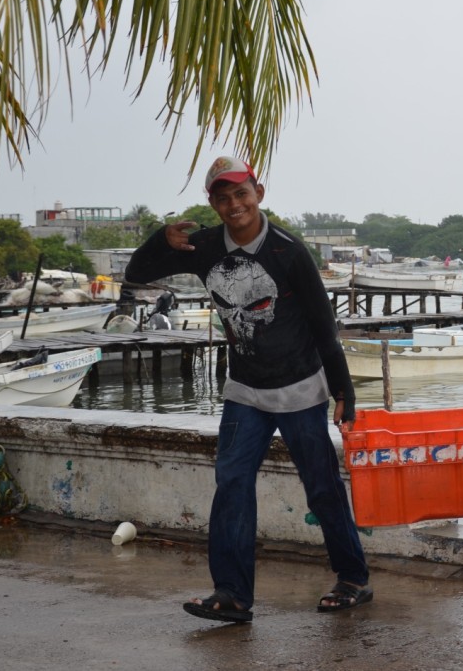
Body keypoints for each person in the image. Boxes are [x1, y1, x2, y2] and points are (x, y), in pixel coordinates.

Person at [125, 156, 371, 624]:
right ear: (212, 203)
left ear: (258, 193)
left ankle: (353, 578)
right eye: (223, 197)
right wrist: (160, 238)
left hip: (300, 388)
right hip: (245, 390)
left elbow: (324, 325)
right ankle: (233, 594)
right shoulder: (202, 247)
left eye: (241, 193)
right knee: (232, 482)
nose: (234, 204)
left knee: (321, 487)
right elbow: (136, 274)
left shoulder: (288, 251)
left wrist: (344, 391)